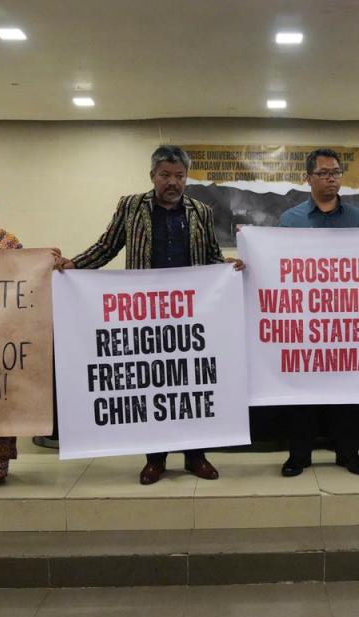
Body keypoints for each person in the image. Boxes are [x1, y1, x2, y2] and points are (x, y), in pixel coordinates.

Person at [54, 145, 243, 485]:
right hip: (145, 314)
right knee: (153, 384)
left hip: (191, 314)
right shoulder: (131, 206)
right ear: (152, 176)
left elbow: (212, 255)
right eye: (166, 175)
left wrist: (227, 267)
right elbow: (107, 246)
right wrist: (73, 265)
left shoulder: (200, 210)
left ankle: (195, 456)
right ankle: (155, 459)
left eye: (180, 176)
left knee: (189, 384)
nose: (173, 182)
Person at [278, 148, 359, 477]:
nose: (331, 177)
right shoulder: (290, 221)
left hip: (345, 320)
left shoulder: (358, 220)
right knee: (301, 390)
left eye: (336, 172)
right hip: (303, 321)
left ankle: (348, 453)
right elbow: (277, 266)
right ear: (308, 178)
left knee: (347, 391)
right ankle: (299, 455)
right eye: (324, 172)